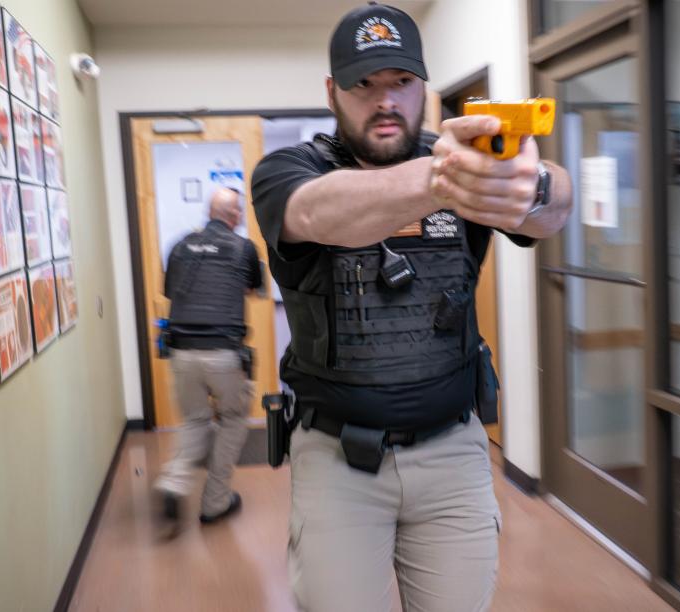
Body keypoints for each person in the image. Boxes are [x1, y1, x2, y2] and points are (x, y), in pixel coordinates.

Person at [250, 3, 573, 610]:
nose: (385, 101)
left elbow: (552, 209)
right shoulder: (288, 171)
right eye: (363, 84)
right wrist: (449, 178)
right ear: (332, 92)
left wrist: (537, 181)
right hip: (337, 461)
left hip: (453, 453)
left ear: (423, 85)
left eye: (401, 82)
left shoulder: (467, 168)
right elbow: (317, 212)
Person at [154, 186, 264, 526]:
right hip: (224, 352)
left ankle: (173, 480)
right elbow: (254, 289)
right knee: (232, 419)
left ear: (209, 212)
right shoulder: (244, 248)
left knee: (195, 419)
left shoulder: (179, 246)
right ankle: (215, 502)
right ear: (235, 217)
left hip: (181, 351)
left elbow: (169, 291)